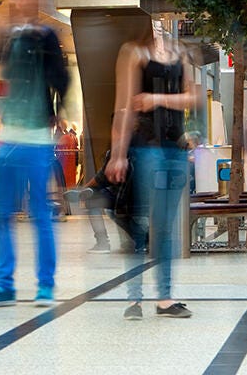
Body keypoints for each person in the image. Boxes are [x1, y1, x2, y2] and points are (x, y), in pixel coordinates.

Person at [0, 0, 69, 308]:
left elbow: (62, 78)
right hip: (8, 138)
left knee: (40, 213)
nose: (24, 1)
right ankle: (4, 284)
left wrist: (58, 111)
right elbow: (7, 80)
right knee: (2, 213)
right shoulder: (6, 37)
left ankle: (45, 284)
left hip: (37, 140)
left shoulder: (46, 37)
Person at [106, 20, 199, 320]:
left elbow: (194, 96)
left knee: (165, 227)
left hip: (174, 148)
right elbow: (124, 106)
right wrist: (117, 155)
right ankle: (135, 298)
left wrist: (156, 99)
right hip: (146, 148)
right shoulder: (134, 53)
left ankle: (165, 297)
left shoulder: (179, 53)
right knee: (142, 225)